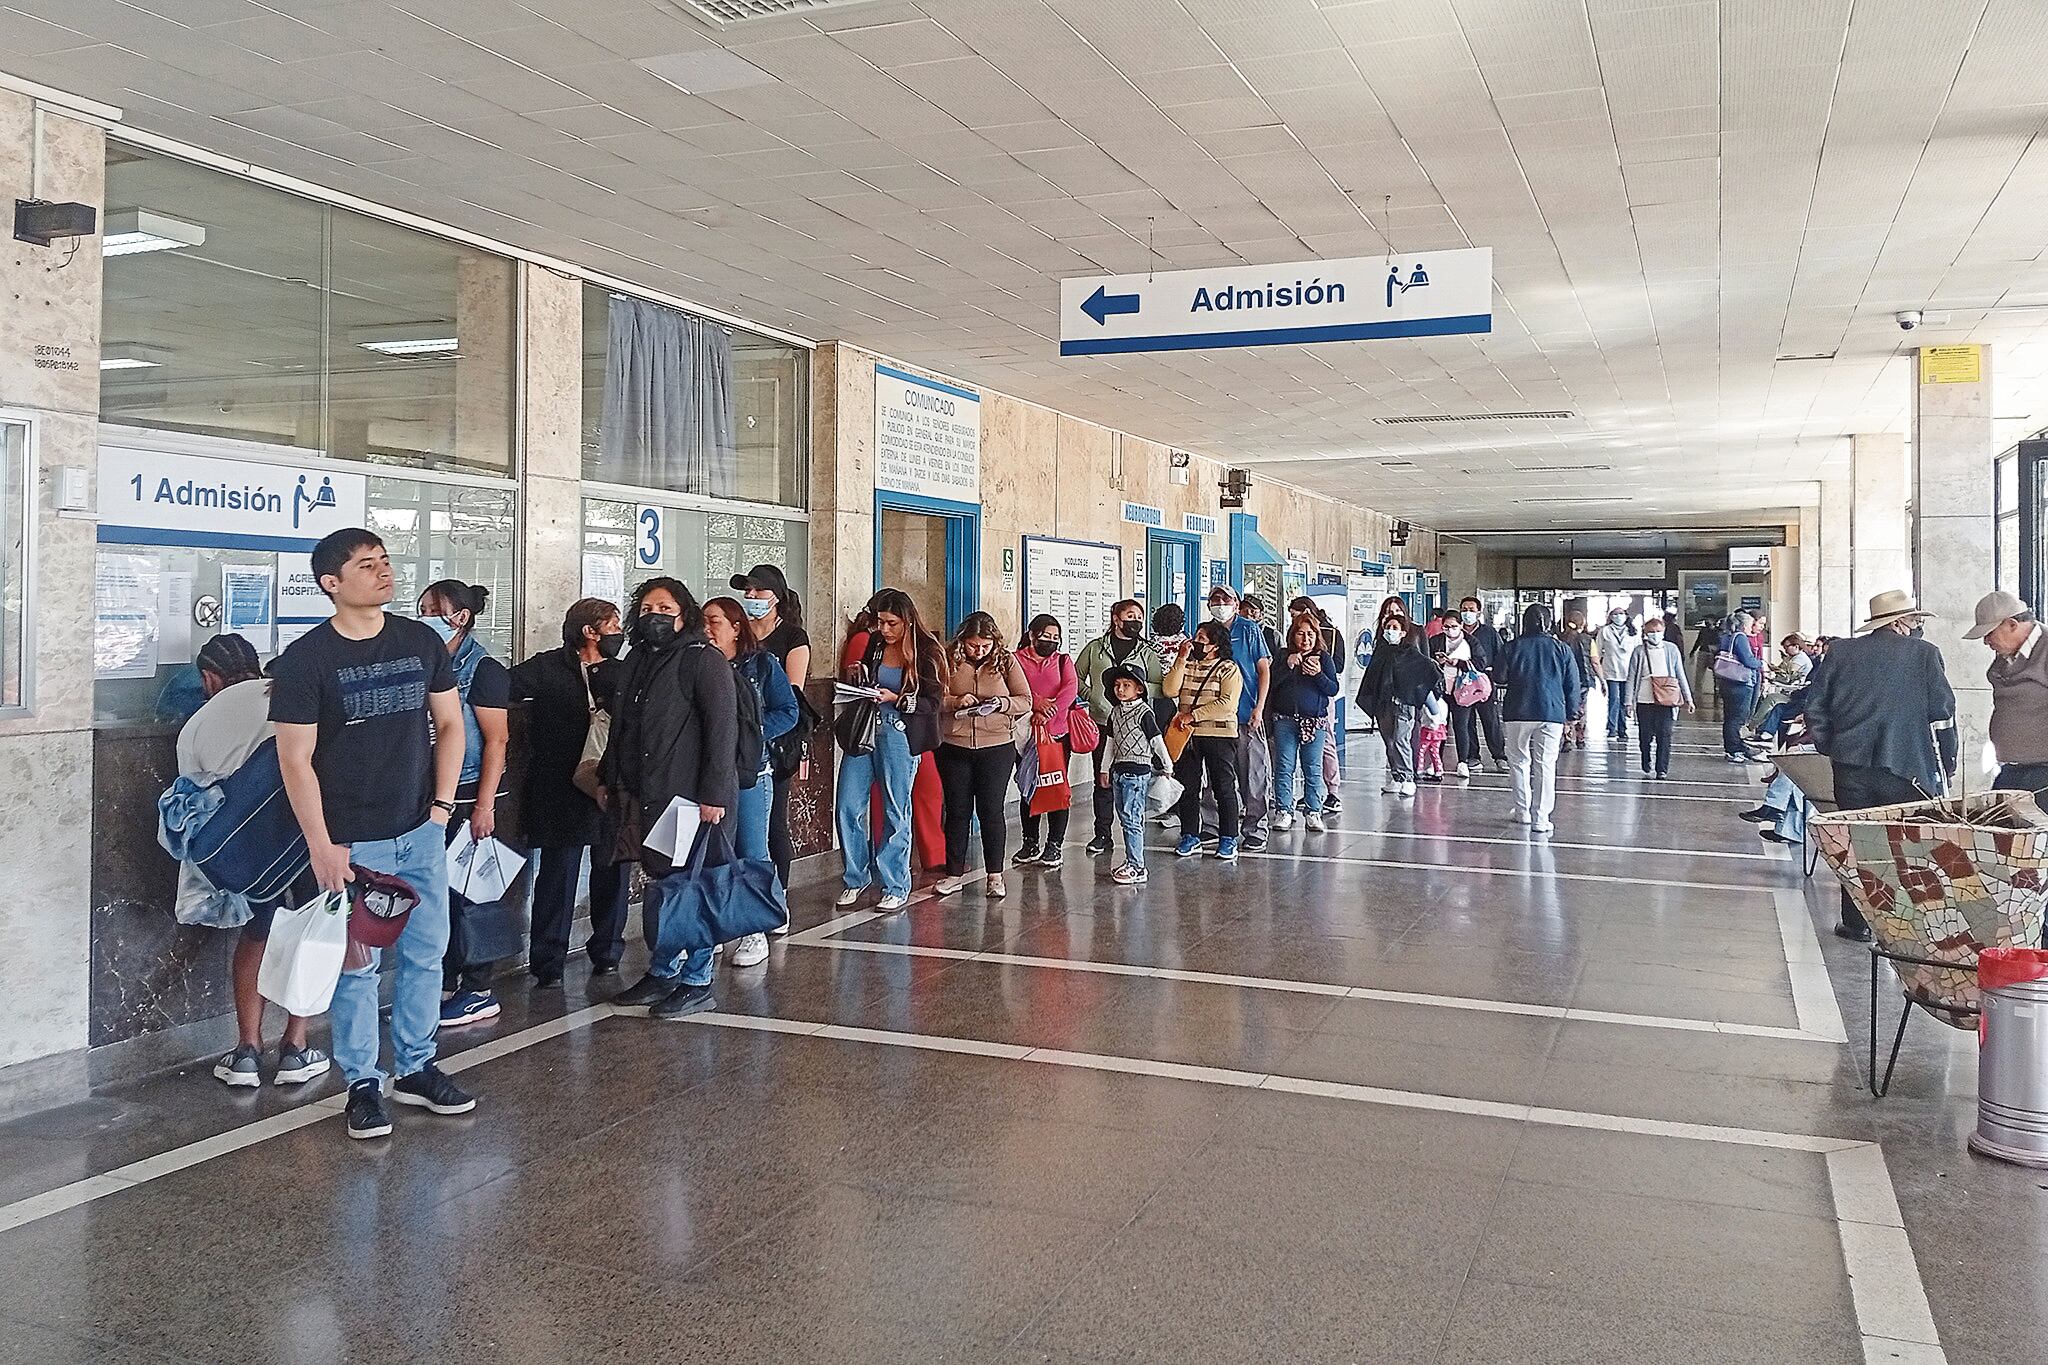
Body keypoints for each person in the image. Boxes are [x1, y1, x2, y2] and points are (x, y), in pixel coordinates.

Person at [271, 528, 475, 1141]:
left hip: (419, 831)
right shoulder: (307, 660)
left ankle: (416, 1066)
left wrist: (442, 809)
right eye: (367, 565)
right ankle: (362, 1083)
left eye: (385, 562)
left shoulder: (419, 641)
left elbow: (449, 723)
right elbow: (294, 760)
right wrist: (321, 843)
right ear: (331, 583)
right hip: (350, 844)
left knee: (425, 955)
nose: (383, 573)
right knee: (356, 967)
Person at [181, 634, 329, 1089]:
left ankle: (247, 1050)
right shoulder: (286, 698)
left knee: (259, 929)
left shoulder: (197, 725)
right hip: (307, 838)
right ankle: (296, 1047)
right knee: (310, 928)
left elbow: (194, 800)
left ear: (209, 678)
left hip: (252, 854)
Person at [602, 578, 739, 1015]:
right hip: (649, 794)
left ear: (685, 615)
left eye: (664, 607)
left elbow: (722, 732)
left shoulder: (703, 660)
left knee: (691, 886)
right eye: (645, 609)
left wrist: (713, 795)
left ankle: (697, 978)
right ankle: (663, 971)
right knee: (663, 884)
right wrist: (611, 777)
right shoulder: (638, 662)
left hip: (692, 799)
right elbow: (622, 727)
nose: (653, 616)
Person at [1804, 590, 1958, 942]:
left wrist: (1831, 744)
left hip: (1850, 765)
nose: (1918, 625)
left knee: (1857, 844)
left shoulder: (1841, 651)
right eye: (1916, 619)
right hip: (1906, 766)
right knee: (1903, 847)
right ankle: (1903, 923)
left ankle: (1856, 923)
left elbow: (1815, 706)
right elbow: (1943, 709)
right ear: (1900, 622)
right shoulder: (1925, 654)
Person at [510, 598, 631, 988]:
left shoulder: (623, 672)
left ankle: (608, 951)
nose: (618, 631)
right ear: (588, 631)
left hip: (608, 785)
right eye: (611, 624)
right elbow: (502, 685)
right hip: (559, 788)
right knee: (557, 874)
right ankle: (548, 961)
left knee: (612, 868)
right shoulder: (548, 667)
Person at [416, 580, 511, 1031]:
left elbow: (496, 740)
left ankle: (478, 990)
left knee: (472, 895)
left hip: (471, 796)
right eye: (422, 607)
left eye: (435, 609)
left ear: (461, 618)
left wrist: (485, 806)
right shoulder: (424, 663)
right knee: (442, 898)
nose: (425, 616)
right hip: (432, 796)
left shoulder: (483, 667)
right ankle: (450, 981)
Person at [702, 596, 798, 967]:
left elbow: (788, 711)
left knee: (752, 851)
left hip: (750, 772)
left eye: (715, 622)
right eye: (703, 622)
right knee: (711, 853)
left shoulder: (761, 665)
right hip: (706, 774)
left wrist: (752, 736)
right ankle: (715, 924)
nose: (707, 629)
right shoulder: (697, 665)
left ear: (736, 627)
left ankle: (754, 930)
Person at [837, 588, 943, 910]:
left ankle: (895, 883)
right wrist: (860, 680)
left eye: (891, 623)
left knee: (897, 808)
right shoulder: (875, 644)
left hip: (899, 733)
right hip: (868, 727)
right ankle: (856, 876)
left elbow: (933, 701)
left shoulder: (927, 651)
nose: (883, 629)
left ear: (908, 621)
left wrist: (897, 700)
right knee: (847, 803)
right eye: (880, 622)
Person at [935, 611, 1031, 898]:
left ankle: (994, 875)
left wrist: (1002, 703)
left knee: (991, 810)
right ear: (962, 640)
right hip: (954, 744)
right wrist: (955, 701)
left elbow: (1025, 699)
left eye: (985, 646)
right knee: (956, 811)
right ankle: (953, 873)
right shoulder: (947, 658)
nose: (979, 651)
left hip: (996, 745)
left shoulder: (1006, 661)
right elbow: (933, 697)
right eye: (973, 645)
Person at [733, 563, 811, 893]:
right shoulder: (741, 634)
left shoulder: (793, 637)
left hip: (776, 740)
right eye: (747, 590)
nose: (751, 596)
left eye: (758, 590)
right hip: (738, 742)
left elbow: (791, 693)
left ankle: (777, 897)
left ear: (776, 597)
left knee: (774, 820)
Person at [1076, 599, 1165, 856]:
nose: (1135, 620)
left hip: (1134, 728)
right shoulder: (1095, 648)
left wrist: (1139, 690)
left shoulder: (1147, 651)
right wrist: (1092, 695)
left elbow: (1160, 686)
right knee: (1102, 779)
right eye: (1130, 615)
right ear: (1116, 618)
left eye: (1139, 616)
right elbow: (1075, 675)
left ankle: (1133, 836)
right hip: (1103, 722)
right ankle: (1102, 833)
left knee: (1132, 782)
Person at [1500, 602, 1581, 835]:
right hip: (1551, 712)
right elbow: (1572, 684)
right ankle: (1541, 817)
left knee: (1518, 761)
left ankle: (1522, 811)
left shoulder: (1511, 647)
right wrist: (1571, 714)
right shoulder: (1562, 649)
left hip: (1517, 711)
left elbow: (1499, 676)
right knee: (1545, 764)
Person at [1166, 619, 1244, 860]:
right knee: (1187, 786)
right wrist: (1180, 659)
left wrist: (1194, 715)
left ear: (1215, 646)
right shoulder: (1188, 665)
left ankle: (1228, 837)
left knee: (1223, 787)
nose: (1196, 642)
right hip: (1188, 736)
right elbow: (1170, 690)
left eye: (1202, 639)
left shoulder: (1228, 668)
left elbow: (1227, 704)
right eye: (1196, 637)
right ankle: (1190, 834)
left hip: (1219, 735)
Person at [1207, 584, 1273, 850]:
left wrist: (1259, 707)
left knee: (1253, 775)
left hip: (1246, 715)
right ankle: (1213, 826)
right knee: (1215, 776)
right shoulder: (1207, 632)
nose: (1220, 603)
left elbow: (1263, 670)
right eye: (1215, 599)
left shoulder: (1249, 630)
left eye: (1226, 599)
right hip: (1214, 718)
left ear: (1236, 602)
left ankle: (1255, 828)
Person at [1965, 590, 2048, 797]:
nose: (1986, 641)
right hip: (2011, 768)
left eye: (1989, 633)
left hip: (2042, 771)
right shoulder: (2007, 654)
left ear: (2012, 624)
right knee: (1997, 824)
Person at [1014, 613, 1080, 869]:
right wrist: (1036, 704)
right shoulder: (1015, 660)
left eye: (1055, 638)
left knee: (1056, 786)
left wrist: (1049, 712)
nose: (1050, 642)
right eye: (1045, 636)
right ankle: (1030, 842)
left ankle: (1054, 845)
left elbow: (1070, 689)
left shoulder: (1062, 661)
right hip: (1025, 735)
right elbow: (1012, 687)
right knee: (1028, 786)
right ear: (1032, 634)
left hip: (1056, 735)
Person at [1268, 613, 1340, 831]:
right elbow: (1271, 683)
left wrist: (1318, 674)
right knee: (1284, 766)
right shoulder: (1282, 656)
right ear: (1293, 635)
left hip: (1314, 722)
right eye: (1301, 634)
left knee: (1312, 767)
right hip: (1285, 720)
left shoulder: (1323, 657)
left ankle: (1313, 811)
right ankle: (1284, 810)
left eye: (1310, 634)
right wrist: (1288, 666)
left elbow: (1332, 689)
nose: (1305, 639)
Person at [1100, 664, 1172, 885]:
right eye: (1117, 686)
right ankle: (1132, 860)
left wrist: (1167, 765)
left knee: (1132, 819)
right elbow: (1110, 743)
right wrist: (1104, 768)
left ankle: (1137, 865)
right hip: (1119, 771)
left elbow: (1156, 741)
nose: (1120, 690)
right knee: (1125, 817)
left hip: (1137, 772)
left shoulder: (1144, 713)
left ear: (1139, 689)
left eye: (1126, 685)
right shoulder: (1115, 712)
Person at [1358, 606, 1436, 797]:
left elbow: (1426, 671)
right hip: (1384, 704)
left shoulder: (1410, 653)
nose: (1390, 631)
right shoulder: (1381, 652)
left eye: (1394, 627)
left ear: (1402, 632)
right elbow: (1372, 676)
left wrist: (1427, 699)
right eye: (1388, 627)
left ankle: (1408, 777)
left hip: (1404, 704)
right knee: (1389, 741)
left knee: (1402, 740)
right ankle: (1396, 776)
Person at [1625, 613, 1695, 778]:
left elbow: (1680, 674)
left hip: (1667, 700)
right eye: (1651, 631)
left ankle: (1662, 769)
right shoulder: (1639, 651)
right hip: (1644, 700)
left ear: (1663, 631)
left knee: (1665, 735)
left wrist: (1688, 698)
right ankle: (1646, 759)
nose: (1655, 634)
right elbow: (1631, 677)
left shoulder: (1671, 649)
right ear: (1645, 633)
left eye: (1658, 630)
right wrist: (1628, 703)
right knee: (1645, 735)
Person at [1453, 595, 1509, 773]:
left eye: (1471, 610)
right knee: (1466, 722)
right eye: (1464, 609)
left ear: (1478, 612)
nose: (1467, 613)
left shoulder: (1489, 633)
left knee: (1490, 719)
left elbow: (1500, 655)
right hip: (1461, 684)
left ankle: (1499, 756)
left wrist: (1498, 675)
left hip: (1483, 684)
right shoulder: (1456, 633)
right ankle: (1472, 756)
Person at [1714, 611, 1767, 763]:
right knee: (1737, 718)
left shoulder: (1726, 636)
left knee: (1730, 717)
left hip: (1726, 682)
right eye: (1751, 625)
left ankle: (1733, 747)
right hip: (1740, 683)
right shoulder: (1741, 638)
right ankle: (1735, 749)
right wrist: (1760, 664)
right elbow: (1748, 660)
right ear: (1744, 625)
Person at [1594, 606, 1636, 743]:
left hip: (1628, 672)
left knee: (1625, 701)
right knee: (1614, 700)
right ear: (1611, 616)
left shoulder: (1632, 632)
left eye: (1621, 613)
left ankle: (1622, 729)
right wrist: (1598, 673)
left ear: (1626, 616)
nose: (1618, 616)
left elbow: (1638, 652)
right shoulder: (1604, 631)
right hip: (1611, 671)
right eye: (1615, 614)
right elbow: (1597, 652)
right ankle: (1612, 728)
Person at [1559, 611, 1595, 750]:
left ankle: (1567, 737)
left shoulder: (1561, 639)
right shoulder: (1587, 640)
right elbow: (1594, 661)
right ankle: (1580, 737)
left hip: (1564, 679)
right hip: (1582, 680)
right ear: (1583, 623)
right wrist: (1601, 679)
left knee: (1565, 706)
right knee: (1581, 708)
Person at [1415, 693, 1450, 782]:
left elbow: (1428, 715)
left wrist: (1427, 724)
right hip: (1439, 730)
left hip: (1428, 730)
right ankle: (1438, 770)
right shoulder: (1443, 703)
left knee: (1421, 750)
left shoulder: (1429, 702)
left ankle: (1419, 769)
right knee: (1435, 751)